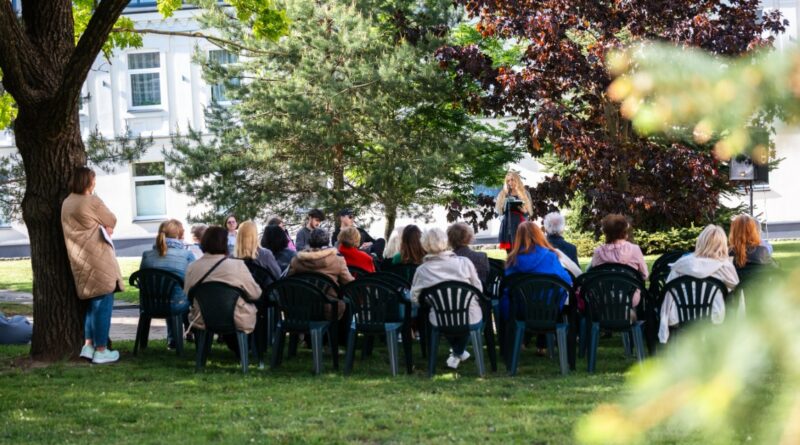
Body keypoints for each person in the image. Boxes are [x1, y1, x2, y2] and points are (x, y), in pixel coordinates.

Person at [61, 166, 124, 364]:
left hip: (80, 259)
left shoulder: (67, 202)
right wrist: (104, 225)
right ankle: (101, 349)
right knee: (103, 303)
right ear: (89, 182)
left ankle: (88, 346)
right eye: (93, 180)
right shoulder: (92, 200)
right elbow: (112, 219)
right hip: (98, 259)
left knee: (92, 305)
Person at [410, 228, 483, 369]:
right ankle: (458, 352)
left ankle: (457, 352)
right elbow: (478, 289)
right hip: (470, 316)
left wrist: (430, 302)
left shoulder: (422, 270)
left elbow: (415, 298)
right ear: (445, 241)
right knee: (472, 317)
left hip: (440, 318)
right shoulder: (464, 263)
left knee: (445, 321)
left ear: (424, 245)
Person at [184, 226, 262, 355]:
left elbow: (188, 294)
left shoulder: (192, 267)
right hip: (234, 318)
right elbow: (256, 293)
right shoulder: (237, 265)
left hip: (203, 317)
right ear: (225, 243)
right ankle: (247, 349)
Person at [659, 225, 739, 343]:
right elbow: (735, 285)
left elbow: (668, 292)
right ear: (722, 245)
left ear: (700, 241)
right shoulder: (725, 268)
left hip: (681, 317)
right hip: (713, 316)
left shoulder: (680, 265)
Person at [503, 222, 573, 354]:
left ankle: (520, 342)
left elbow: (507, 285)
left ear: (518, 237)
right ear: (539, 235)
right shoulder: (551, 256)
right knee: (547, 295)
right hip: (548, 309)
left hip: (520, 310)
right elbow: (566, 280)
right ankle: (543, 345)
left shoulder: (512, 260)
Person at [140, 219, 195, 349]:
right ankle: (195, 336)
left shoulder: (147, 255)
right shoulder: (186, 255)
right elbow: (195, 278)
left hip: (149, 304)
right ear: (180, 235)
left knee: (169, 294)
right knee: (181, 296)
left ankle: (172, 340)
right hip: (176, 305)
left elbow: (143, 280)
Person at [288, 228, 353, 321]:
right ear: (327, 242)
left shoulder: (297, 260)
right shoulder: (337, 260)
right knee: (346, 301)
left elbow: (288, 280)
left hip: (301, 308)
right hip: (328, 308)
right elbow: (349, 282)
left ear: (309, 241)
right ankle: (342, 335)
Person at [589, 214, 649, 307]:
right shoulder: (635, 249)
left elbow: (592, 276)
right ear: (625, 231)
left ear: (605, 233)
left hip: (604, 298)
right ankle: (629, 316)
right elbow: (645, 275)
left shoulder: (598, 252)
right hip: (630, 299)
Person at [495, 171, 533, 251]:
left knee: (521, 249)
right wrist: (503, 207)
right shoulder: (503, 194)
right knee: (510, 251)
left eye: (512, 180)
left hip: (520, 223)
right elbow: (499, 212)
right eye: (508, 181)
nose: (510, 182)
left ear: (517, 180)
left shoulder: (524, 193)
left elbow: (529, 213)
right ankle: (511, 263)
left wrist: (525, 211)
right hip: (507, 223)